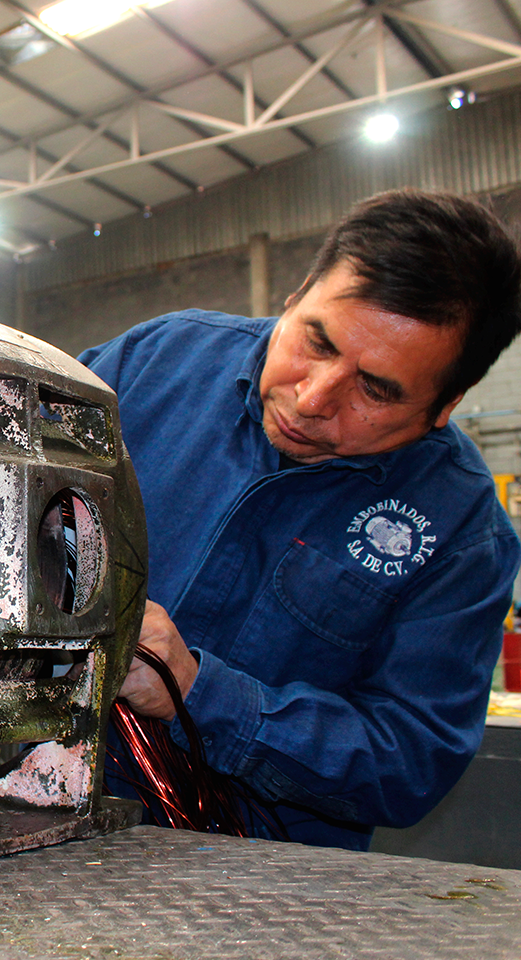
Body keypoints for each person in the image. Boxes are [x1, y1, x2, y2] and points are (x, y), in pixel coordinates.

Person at [78, 188, 521, 850]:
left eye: (374, 389)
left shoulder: (462, 535)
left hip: (247, 887)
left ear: (445, 406)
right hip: (24, 818)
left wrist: (199, 695)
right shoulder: (153, 364)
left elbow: (409, 764)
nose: (312, 398)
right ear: (294, 297)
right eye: (315, 340)